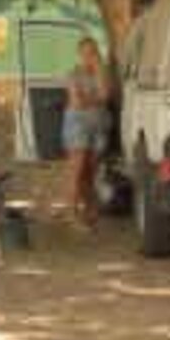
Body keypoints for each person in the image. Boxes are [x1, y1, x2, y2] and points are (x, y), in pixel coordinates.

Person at [63, 37, 111, 229]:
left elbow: (106, 95)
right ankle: (72, 213)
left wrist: (92, 95)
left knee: (90, 171)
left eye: (93, 52)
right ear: (79, 54)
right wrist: (96, 99)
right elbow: (77, 102)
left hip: (98, 125)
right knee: (77, 169)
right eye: (86, 53)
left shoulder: (101, 73)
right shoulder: (73, 74)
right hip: (78, 124)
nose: (89, 56)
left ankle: (89, 210)